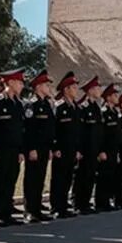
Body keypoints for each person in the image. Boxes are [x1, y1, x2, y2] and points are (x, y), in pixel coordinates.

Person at [0, 69, 25, 227]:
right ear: (10, 83)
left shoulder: (18, 104)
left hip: (14, 149)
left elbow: (20, 129)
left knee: (10, 180)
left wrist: (20, 151)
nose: (22, 85)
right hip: (1, 149)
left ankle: (7, 213)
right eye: (19, 82)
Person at [22, 70, 56, 222]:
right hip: (34, 148)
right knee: (31, 179)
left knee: (40, 179)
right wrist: (31, 148)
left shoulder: (46, 104)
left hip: (44, 148)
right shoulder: (31, 104)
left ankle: (37, 209)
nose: (49, 87)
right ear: (38, 87)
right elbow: (29, 129)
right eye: (46, 85)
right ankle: (29, 210)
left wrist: (49, 148)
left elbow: (49, 129)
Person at [50, 72, 80, 219]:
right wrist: (55, 148)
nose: (76, 90)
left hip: (71, 149)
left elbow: (77, 131)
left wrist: (77, 149)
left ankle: (63, 206)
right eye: (74, 87)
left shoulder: (75, 107)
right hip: (61, 150)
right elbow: (53, 129)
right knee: (59, 179)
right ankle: (56, 207)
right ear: (66, 89)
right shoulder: (59, 107)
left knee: (67, 178)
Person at [74, 76, 103, 215]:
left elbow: (98, 131)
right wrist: (79, 149)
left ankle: (85, 202)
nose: (99, 90)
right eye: (97, 88)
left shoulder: (96, 108)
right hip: (85, 150)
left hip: (94, 149)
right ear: (90, 90)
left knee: (91, 176)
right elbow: (79, 131)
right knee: (82, 176)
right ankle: (79, 203)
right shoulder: (83, 107)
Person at [96, 83, 121, 211]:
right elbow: (101, 134)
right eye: (115, 95)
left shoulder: (115, 112)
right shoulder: (103, 112)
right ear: (108, 97)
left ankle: (107, 201)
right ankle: (101, 202)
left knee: (110, 176)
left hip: (113, 150)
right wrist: (101, 150)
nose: (118, 97)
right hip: (105, 150)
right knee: (103, 177)